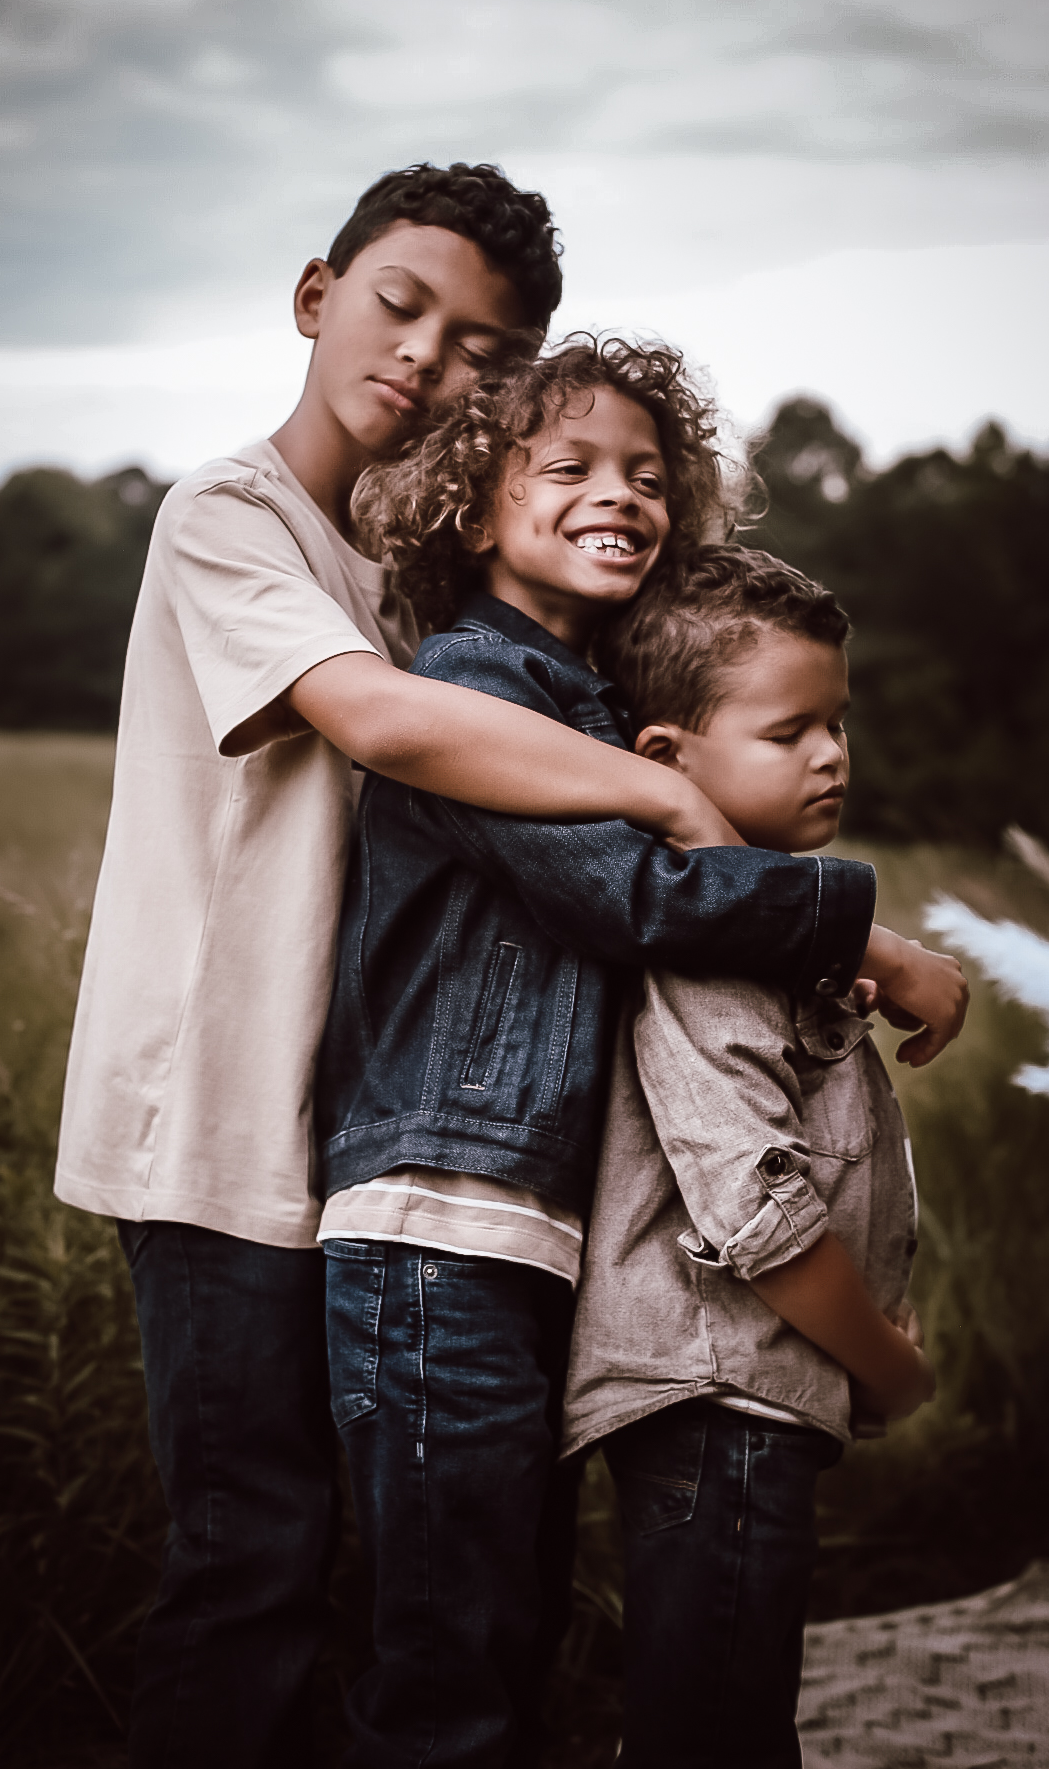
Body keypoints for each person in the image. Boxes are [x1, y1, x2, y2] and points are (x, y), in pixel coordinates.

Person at [53, 164, 755, 1769]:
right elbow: (370, 718)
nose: (431, 361)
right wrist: (663, 790)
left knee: (415, 1579)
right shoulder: (232, 516)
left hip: (370, 1131)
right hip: (216, 1129)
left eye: (483, 349)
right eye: (401, 307)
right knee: (253, 1562)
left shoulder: (426, 575)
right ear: (318, 296)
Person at [315, 341, 965, 1766]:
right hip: (443, 1215)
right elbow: (632, 901)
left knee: (511, 1632)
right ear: (474, 511)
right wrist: (870, 936)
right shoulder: (479, 683)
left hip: (521, 1227)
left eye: (650, 475)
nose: (622, 495)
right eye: (572, 468)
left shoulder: (594, 704)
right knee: (452, 1664)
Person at [563, 543, 939, 1769]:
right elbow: (759, 1215)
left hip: (747, 1402)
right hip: (711, 1399)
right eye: (790, 732)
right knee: (715, 1726)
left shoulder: (771, 929)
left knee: (727, 1706)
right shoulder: (708, 951)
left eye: (838, 722)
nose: (832, 753)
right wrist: (884, 1366)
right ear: (667, 759)